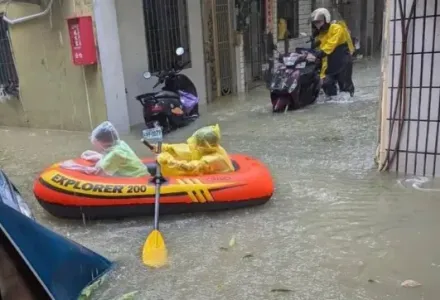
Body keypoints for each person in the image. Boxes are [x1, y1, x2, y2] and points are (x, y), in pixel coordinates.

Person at [61, 121, 148, 177]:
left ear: (102, 142)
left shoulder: (115, 155)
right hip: (143, 174)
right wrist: (99, 156)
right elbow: (115, 157)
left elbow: (97, 173)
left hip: (138, 181)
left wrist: (73, 166)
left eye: (96, 142)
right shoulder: (121, 144)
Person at [148, 124, 234, 176]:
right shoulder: (211, 147)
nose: (195, 145)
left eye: (196, 143)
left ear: (204, 145)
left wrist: (166, 159)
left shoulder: (212, 159)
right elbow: (184, 149)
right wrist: (162, 147)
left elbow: (189, 168)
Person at [310, 8, 355, 97]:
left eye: (319, 22)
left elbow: (330, 45)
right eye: (315, 23)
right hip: (329, 63)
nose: (317, 25)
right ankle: (332, 100)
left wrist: (318, 54)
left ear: (326, 20)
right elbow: (319, 48)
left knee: (345, 87)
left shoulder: (336, 28)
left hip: (342, 60)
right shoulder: (321, 34)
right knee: (326, 84)